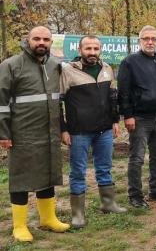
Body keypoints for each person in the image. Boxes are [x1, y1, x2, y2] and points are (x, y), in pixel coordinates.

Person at [1, 26, 70, 242]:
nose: (41, 42)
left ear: (51, 42)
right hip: (21, 133)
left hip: (49, 132)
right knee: (20, 178)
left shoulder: (54, 65)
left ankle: (48, 218)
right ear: (28, 40)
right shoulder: (11, 65)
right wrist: (3, 133)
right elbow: (1, 102)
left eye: (46, 39)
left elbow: (57, 100)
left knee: (48, 174)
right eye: (37, 38)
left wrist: (62, 128)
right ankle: (19, 225)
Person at [60, 36, 126, 229]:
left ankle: (108, 203)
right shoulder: (68, 71)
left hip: (104, 130)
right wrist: (63, 129)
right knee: (78, 172)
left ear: (100, 50)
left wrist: (115, 120)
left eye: (96, 48)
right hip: (78, 131)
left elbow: (112, 97)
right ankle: (78, 214)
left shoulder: (107, 68)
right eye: (88, 48)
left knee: (105, 168)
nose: (92, 52)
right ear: (80, 50)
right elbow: (57, 103)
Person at [119, 25, 156, 208]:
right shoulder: (129, 62)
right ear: (140, 41)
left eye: (154, 39)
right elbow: (123, 92)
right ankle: (135, 195)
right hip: (139, 118)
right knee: (137, 158)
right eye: (146, 38)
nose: (150, 42)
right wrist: (128, 115)